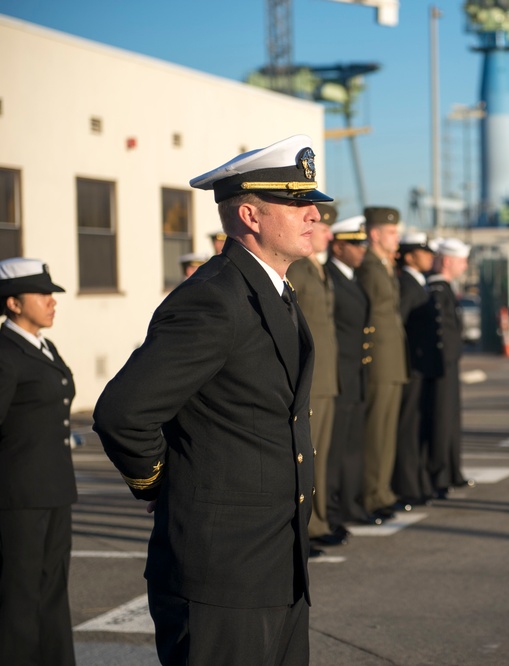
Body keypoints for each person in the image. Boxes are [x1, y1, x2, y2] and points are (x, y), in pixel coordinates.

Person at [93, 135, 331, 665]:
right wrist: (158, 480)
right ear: (250, 214)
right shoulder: (214, 298)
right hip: (221, 575)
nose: (315, 214)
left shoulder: (272, 291)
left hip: (274, 566)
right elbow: (123, 413)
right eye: (298, 203)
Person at [0, 258, 76, 666]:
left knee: (52, 592)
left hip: (54, 489)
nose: (51, 301)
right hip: (19, 495)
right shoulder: (6, 353)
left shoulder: (43, 346)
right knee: (20, 595)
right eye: (42, 294)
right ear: (13, 303)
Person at [286, 202, 342, 547]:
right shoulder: (301, 270)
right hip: (313, 377)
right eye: (322, 228)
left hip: (326, 375)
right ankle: (307, 530)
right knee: (310, 455)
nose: (327, 234)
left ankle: (317, 523)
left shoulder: (317, 269)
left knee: (320, 455)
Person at [326, 216, 380, 531]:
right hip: (339, 375)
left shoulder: (352, 278)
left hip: (356, 374)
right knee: (335, 451)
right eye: (355, 244)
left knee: (352, 447)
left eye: (363, 244)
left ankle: (351, 504)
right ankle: (332, 510)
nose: (361, 250)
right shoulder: (330, 277)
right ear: (339, 246)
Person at [356, 206, 408, 520]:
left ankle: (383, 490)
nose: (396, 238)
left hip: (393, 360)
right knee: (375, 431)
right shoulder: (369, 268)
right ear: (374, 235)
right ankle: (371, 494)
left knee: (388, 430)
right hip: (379, 361)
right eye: (391, 233)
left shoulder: (384, 266)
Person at [415, 238, 473, 497]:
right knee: (440, 419)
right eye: (462, 261)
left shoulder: (445, 287)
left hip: (448, 363)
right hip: (440, 365)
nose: (466, 265)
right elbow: (439, 332)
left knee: (450, 419)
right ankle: (440, 474)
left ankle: (451, 471)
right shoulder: (437, 289)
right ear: (448, 261)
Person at [393, 231, 435, 508]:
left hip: (421, 366)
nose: (430, 256)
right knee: (408, 429)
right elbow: (400, 327)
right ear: (409, 256)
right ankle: (407, 486)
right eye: (424, 251)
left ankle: (418, 482)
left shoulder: (418, 282)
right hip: (410, 366)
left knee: (418, 427)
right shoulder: (407, 284)